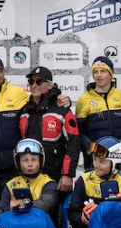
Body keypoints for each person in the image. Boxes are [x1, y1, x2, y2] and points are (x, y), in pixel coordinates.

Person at [0, 57, 70, 218]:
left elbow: (42, 99)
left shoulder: (18, 94)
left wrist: (60, 97)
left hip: (14, 168)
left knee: (18, 211)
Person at [20, 66, 80, 203]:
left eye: (39, 82)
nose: (34, 85)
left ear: (50, 85)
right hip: (29, 177)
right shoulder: (24, 110)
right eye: (31, 81)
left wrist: (68, 174)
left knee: (55, 219)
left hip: (56, 177)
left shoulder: (62, 109)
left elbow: (73, 143)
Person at [76, 56, 121, 171]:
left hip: (119, 161)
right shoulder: (84, 100)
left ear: (111, 74)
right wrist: (91, 147)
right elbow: (79, 132)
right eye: (96, 72)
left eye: (103, 71)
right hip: (95, 161)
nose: (99, 75)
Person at [0, 139, 59, 219]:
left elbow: (46, 204)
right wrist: (9, 210)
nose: (30, 164)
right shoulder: (10, 185)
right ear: (18, 163)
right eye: (25, 160)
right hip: (16, 227)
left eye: (34, 159)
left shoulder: (48, 183)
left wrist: (19, 206)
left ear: (41, 161)